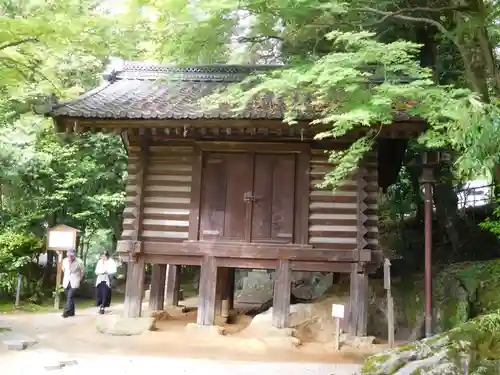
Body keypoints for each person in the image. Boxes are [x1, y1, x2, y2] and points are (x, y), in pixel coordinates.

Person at [61, 249, 84, 318]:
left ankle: (66, 312)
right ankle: (72, 312)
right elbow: (63, 270)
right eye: (69, 255)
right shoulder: (64, 261)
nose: (70, 257)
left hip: (75, 281)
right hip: (66, 281)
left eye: (72, 256)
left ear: (74, 255)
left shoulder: (79, 261)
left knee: (70, 297)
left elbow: (82, 272)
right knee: (69, 297)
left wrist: (80, 279)